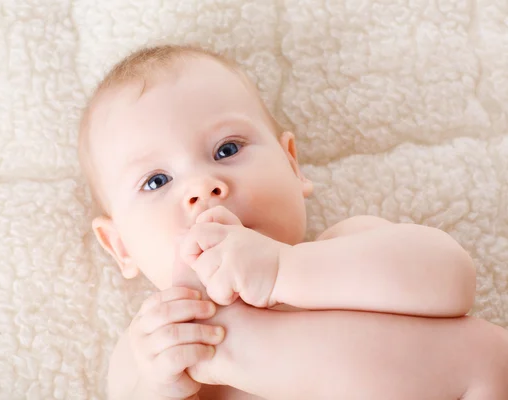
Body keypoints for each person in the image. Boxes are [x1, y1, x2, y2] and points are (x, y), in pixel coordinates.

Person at [77, 44, 508, 399]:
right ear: (120, 247)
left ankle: (245, 347)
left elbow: (453, 281)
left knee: (490, 352)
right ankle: (238, 348)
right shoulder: (152, 345)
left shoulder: (346, 249)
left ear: (291, 164)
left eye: (227, 149)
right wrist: (160, 382)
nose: (203, 187)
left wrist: (285, 270)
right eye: (156, 181)